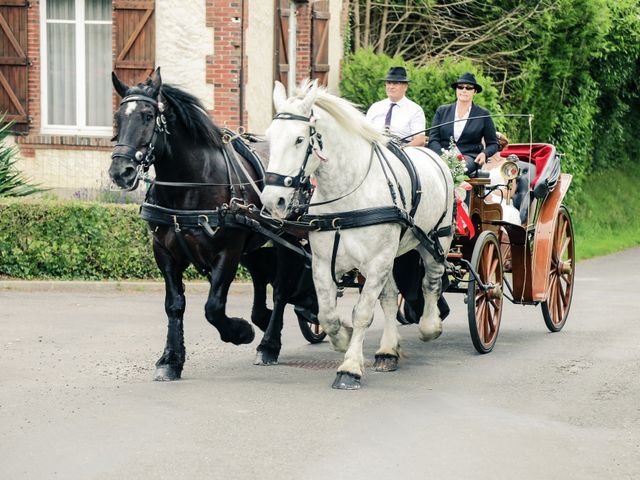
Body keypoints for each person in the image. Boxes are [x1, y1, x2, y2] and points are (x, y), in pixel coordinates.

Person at [427, 72, 498, 176]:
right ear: (456, 90)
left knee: (454, 169)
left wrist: (484, 154)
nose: (464, 90)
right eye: (460, 87)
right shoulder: (442, 111)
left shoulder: (483, 114)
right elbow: (433, 139)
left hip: (468, 157)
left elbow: (493, 144)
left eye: (469, 88)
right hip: (442, 156)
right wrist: (442, 156)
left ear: (475, 92)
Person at [366, 66, 426, 147]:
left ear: (405, 86)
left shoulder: (415, 110)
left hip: (402, 152)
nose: (391, 87)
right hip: (375, 151)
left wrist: (401, 150)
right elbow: (365, 133)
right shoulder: (375, 107)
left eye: (395, 83)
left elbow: (420, 140)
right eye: (388, 83)